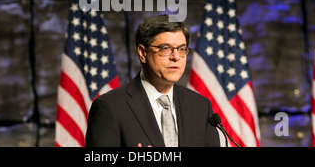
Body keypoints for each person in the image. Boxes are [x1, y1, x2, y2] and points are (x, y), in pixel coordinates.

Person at [85, 14, 220, 147]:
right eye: (165, 48)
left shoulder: (200, 106)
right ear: (143, 53)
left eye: (182, 49)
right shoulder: (110, 107)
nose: (176, 57)